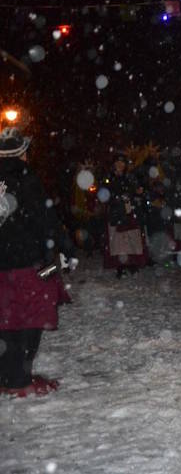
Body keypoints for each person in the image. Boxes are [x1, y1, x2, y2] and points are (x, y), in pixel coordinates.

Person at [0, 128, 71, 397]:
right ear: (21, 153)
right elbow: (46, 219)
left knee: (4, 319)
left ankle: (8, 373)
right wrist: (64, 247)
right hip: (28, 262)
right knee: (31, 317)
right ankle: (19, 378)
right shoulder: (27, 178)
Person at [102, 152, 150, 277]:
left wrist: (136, 193)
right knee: (118, 240)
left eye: (122, 162)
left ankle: (132, 263)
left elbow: (136, 190)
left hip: (129, 210)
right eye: (117, 162)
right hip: (116, 212)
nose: (119, 165)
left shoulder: (130, 177)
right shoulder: (109, 177)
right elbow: (104, 193)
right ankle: (120, 265)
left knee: (131, 237)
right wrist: (116, 198)